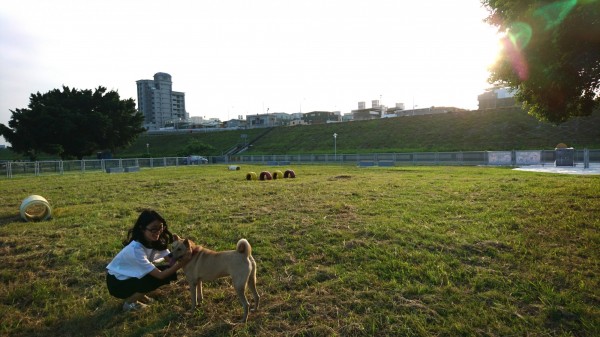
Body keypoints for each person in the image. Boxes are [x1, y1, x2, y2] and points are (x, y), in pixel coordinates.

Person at [106, 209, 190, 312]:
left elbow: (170, 259)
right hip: (117, 283)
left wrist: (184, 254)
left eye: (160, 227)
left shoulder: (154, 240)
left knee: (169, 271)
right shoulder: (136, 250)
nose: (158, 232)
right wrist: (183, 263)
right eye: (153, 229)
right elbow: (160, 275)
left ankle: (141, 296)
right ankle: (130, 303)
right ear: (142, 229)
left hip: (130, 276)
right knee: (159, 278)